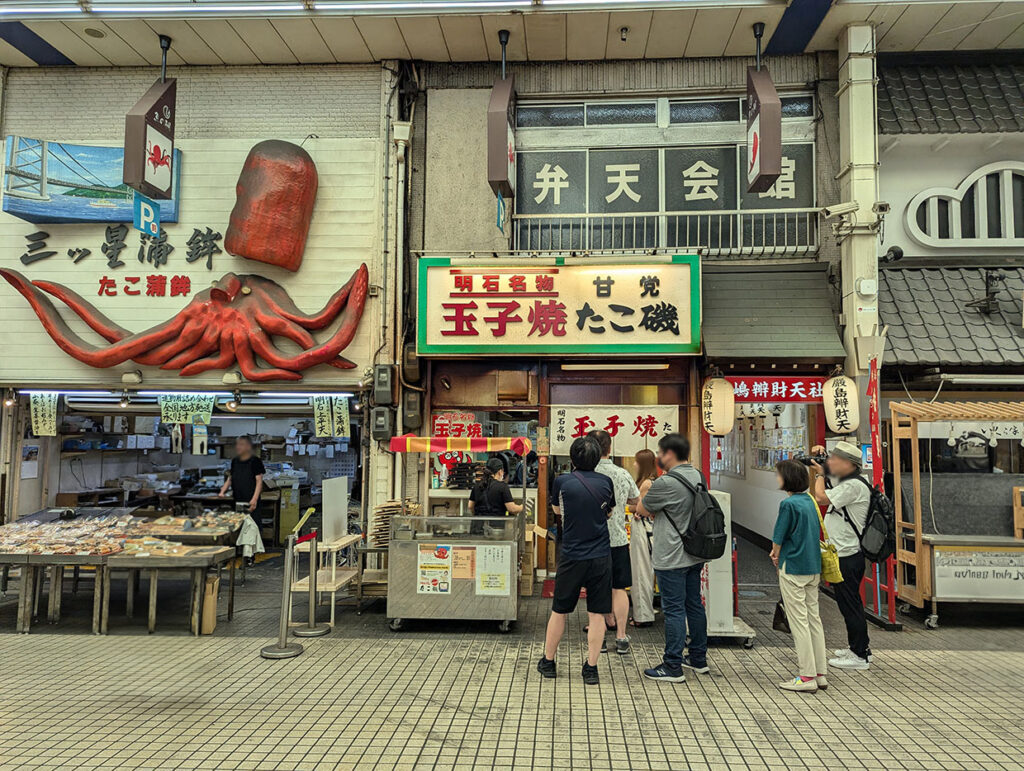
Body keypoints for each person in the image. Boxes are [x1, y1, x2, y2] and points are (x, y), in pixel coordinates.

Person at [537, 436, 615, 685]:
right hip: (601, 555)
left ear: (572, 459)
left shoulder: (562, 482)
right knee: (597, 614)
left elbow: (558, 512)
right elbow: (610, 512)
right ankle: (591, 668)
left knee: (560, 611)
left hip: (571, 556)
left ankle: (548, 662)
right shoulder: (606, 481)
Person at [634, 433, 710, 682]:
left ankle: (673, 666)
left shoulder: (665, 483)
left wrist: (645, 491)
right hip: (694, 553)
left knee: (674, 609)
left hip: (671, 555)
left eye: (661, 452)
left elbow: (642, 509)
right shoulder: (698, 475)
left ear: (669, 454)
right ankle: (698, 659)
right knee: (694, 605)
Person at [810, 440, 873, 670]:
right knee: (850, 603)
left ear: (848, 464)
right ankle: (861, 648)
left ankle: (858, 655)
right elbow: (830, 481)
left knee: (850, 605)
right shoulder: (850, 482)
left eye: (834, 460)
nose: (830, 463)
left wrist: (818, 476)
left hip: (847, 554)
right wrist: (822, 461)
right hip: (845, 553)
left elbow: (821, 498)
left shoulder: (853, 486)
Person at [771, 459, 828, 693]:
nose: (777, 478)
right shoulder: (810, 502)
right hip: (813, 567)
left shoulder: (789, 504)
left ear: (788, 479)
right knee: (814, 619)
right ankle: (820, 673)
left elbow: (779, 537)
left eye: (779, 475)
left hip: (793, 567)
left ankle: (806, 677)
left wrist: (775, 554)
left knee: (799, 622)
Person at [588, 430, 640, 654]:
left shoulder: (584, 474)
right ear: (610, 448)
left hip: (592, 540)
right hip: (618, 538)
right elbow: (636, 500)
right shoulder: (622, 473)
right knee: (619, 588)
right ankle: (620, 636)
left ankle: (597, 635)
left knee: (596, 588)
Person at [629, 448, 658, 628]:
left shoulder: (647, 483)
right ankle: (645, 613)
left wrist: (630, 506)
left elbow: (641, 508)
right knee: (645, 573)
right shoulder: (654, 481)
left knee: (641, 574)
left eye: (636, 461)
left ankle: (643, 616)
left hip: (643, 529)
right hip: (650, 529)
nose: (634, 464)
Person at [218, 435, 265, 514]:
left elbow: (259, 481)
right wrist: (223, 491)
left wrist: (254, 499)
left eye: (241, 444)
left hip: (250, 499)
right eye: (238, 444)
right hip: (237, 498)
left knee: (252, 524)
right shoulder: (235, 461)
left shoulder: (255, 461)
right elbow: (231, 477)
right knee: (239, 522)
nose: (238, 447)